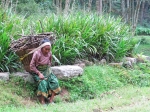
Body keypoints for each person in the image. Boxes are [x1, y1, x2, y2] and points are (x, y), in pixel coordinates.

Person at [30, 38, 61, 104]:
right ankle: (42, 101)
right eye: (46, 49)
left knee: (55, 81)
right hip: (38, 71)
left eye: (49, 49)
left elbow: (49, 63)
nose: (47, 51)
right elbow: (31, 66)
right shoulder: (37, 53)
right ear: (42, 47)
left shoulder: (49, 53)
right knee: (43, 83)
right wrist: (39, 73)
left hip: (47, 70)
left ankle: (51, 101)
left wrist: (48, 71)